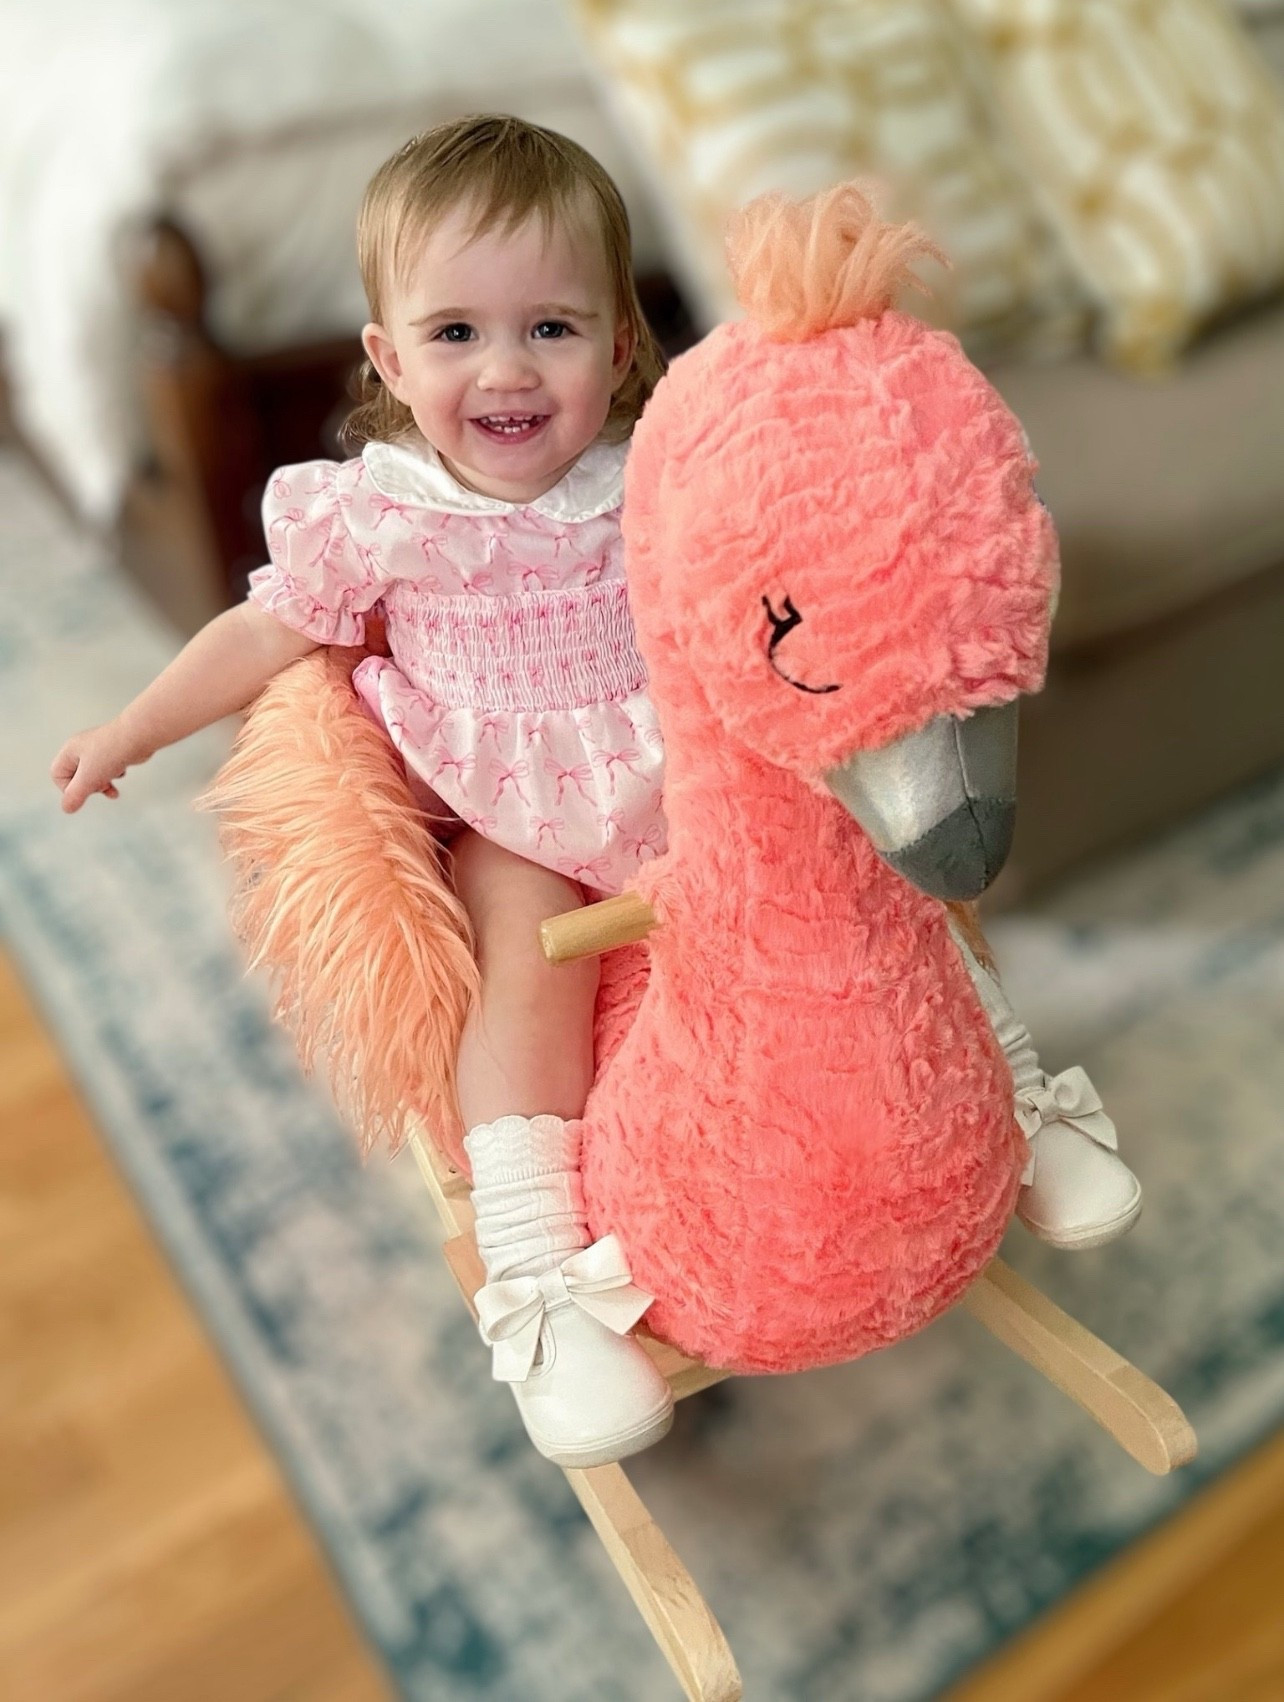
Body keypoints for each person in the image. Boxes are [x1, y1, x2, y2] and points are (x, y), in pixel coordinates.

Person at [51, 116, 1140, 1467]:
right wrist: (132, 729)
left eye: (551, 329)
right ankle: (542, 1272)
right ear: (390, 358)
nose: (506, 369)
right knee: (522, 956)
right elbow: (266, 630)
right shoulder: (382, 511)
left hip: (679, 773)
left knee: (857, 873)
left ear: (620, 347)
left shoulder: (650, 478)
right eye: (456, 333)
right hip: (511, 809)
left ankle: (1012, 1095)